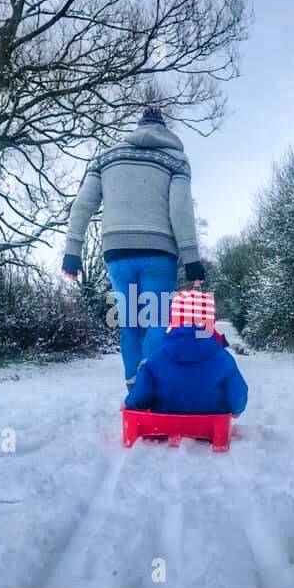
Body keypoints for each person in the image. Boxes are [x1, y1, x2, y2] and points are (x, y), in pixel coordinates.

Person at [62, 105, 204, 388]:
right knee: (156, 320)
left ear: (137, 127)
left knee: (129, 322)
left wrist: (72, 251)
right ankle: (151, 383)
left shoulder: (107, 157)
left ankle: (134, 386)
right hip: (159, 252)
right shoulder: (176, 159)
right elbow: (180, 209)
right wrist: (192, 259)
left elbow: (82, 206)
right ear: (165, 130)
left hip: (117, 252)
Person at [124, 290, 248, 415]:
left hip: (166, 421)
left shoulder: (157, 357)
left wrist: (130, 403)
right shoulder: (223, 358)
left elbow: (140, 396)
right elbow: (238, 399)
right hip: (210, 423)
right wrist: (236, 409)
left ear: (174, 319)